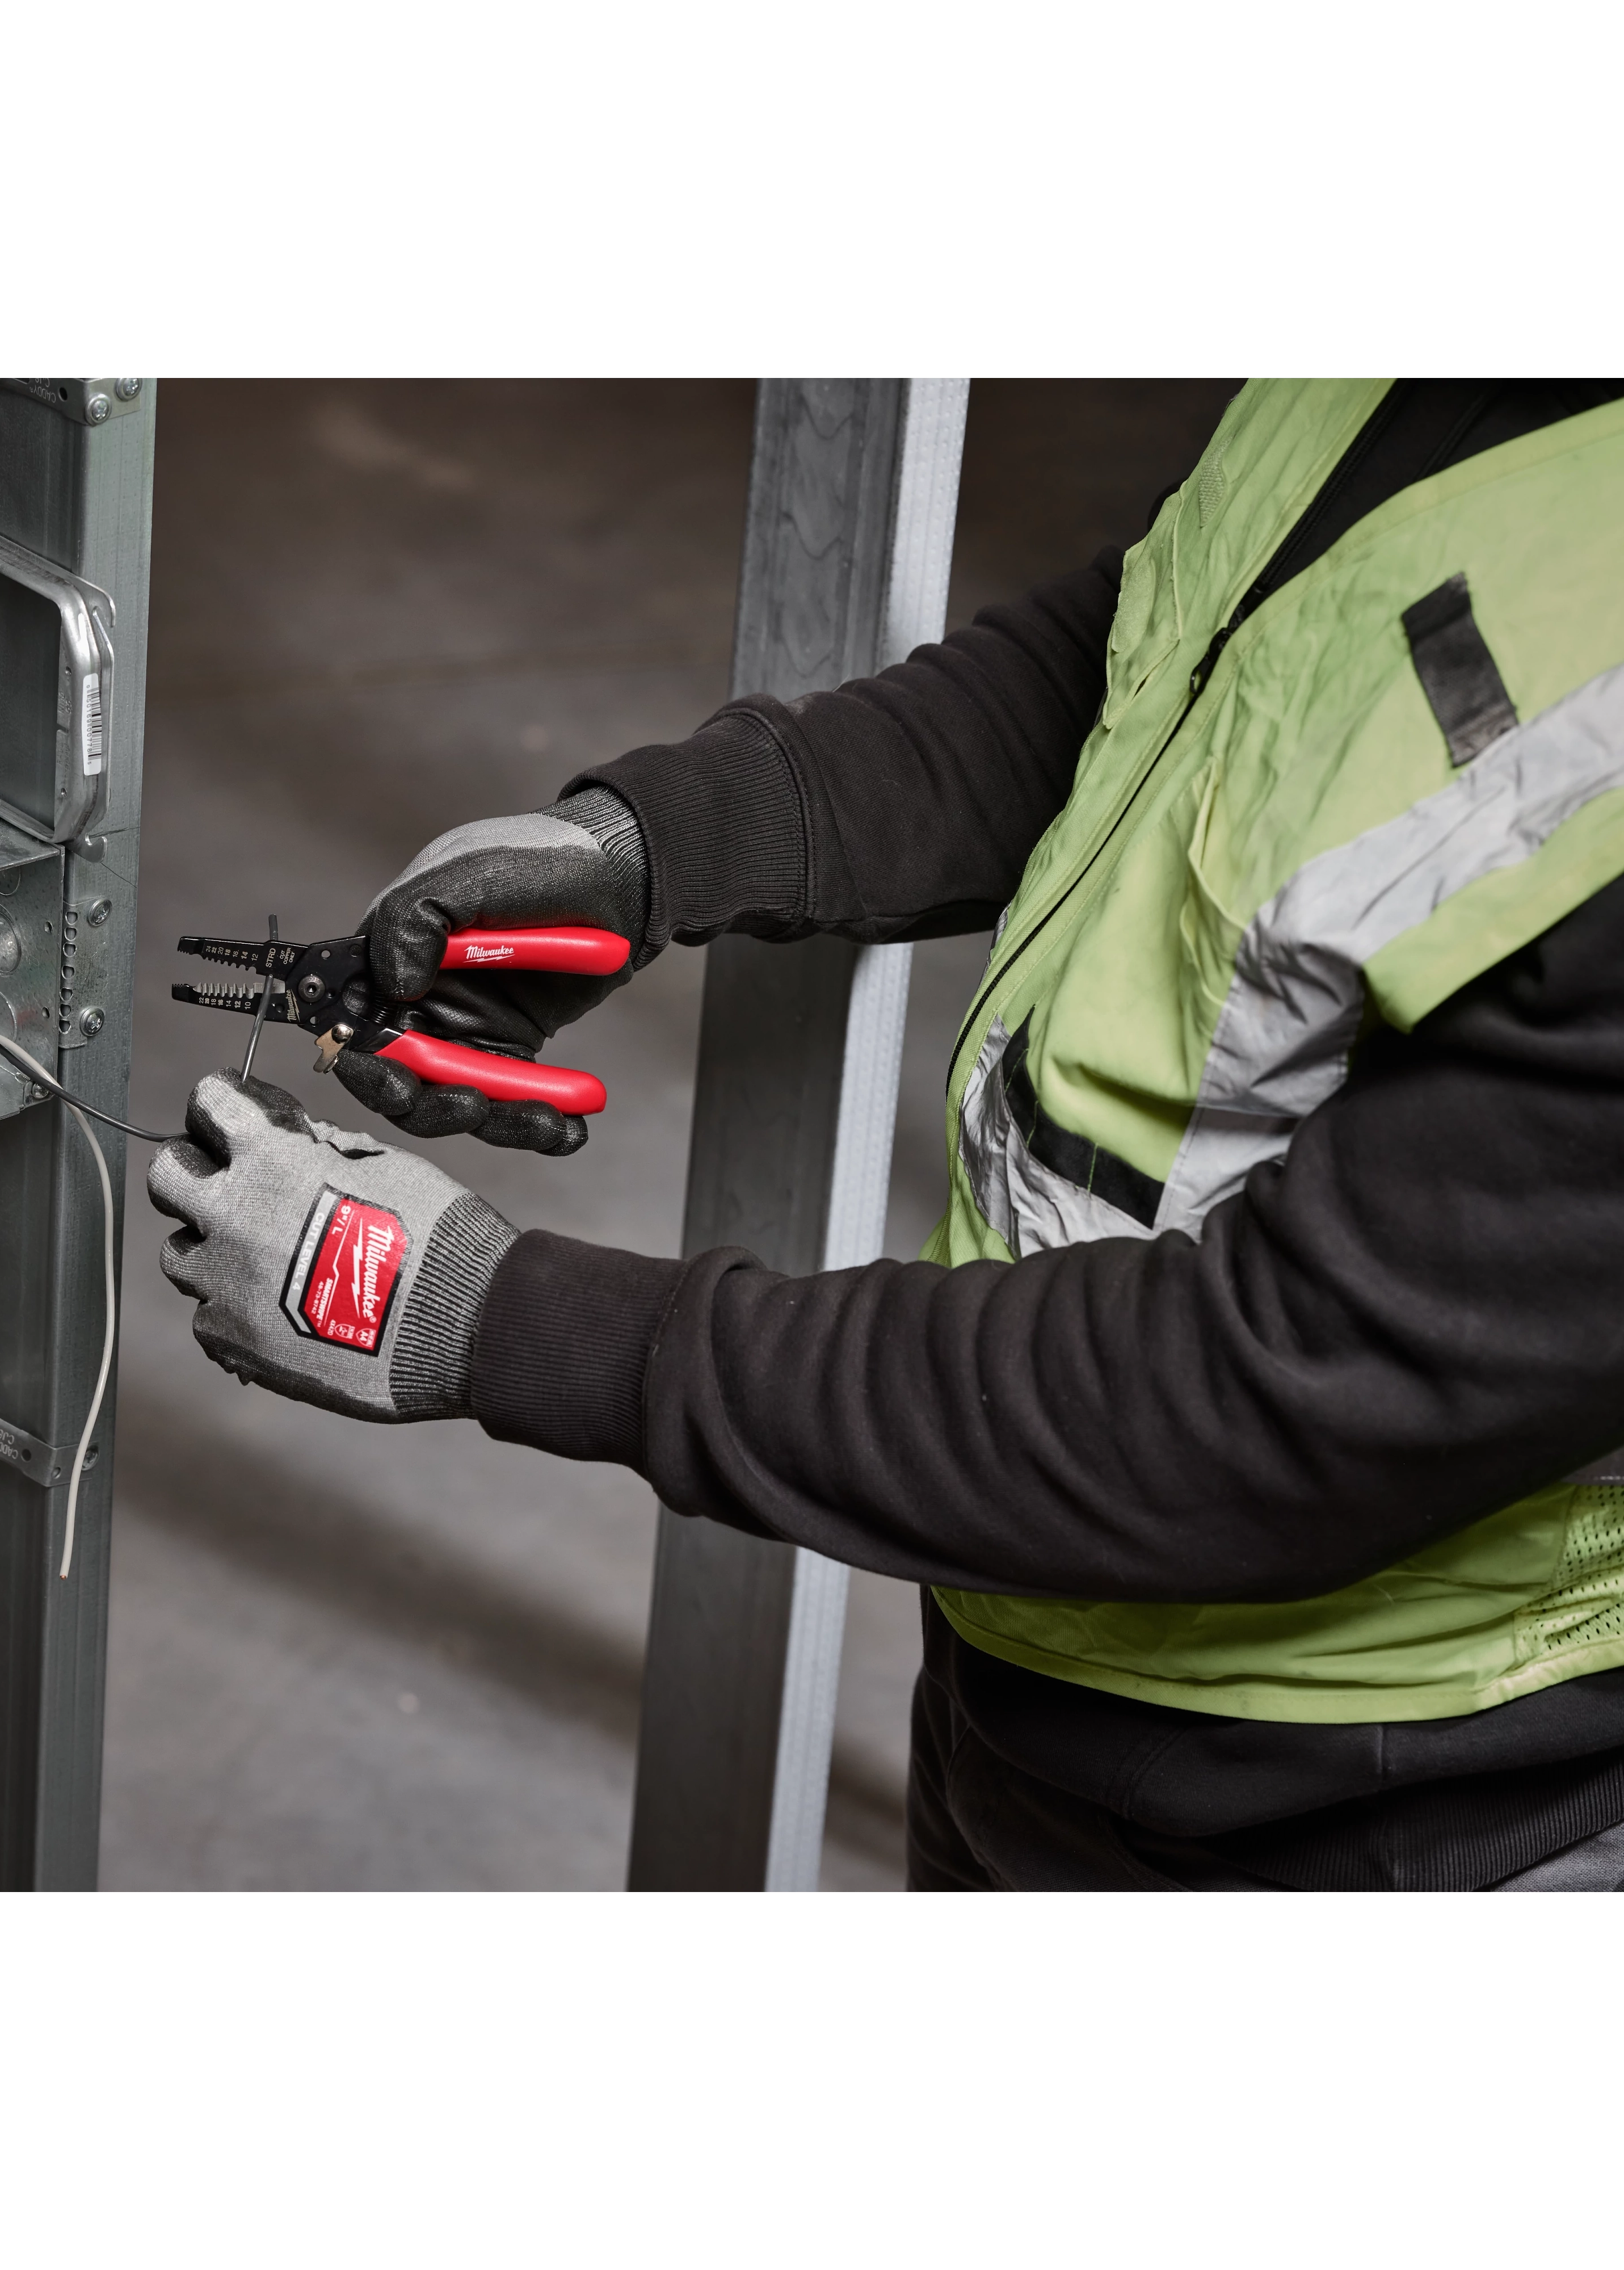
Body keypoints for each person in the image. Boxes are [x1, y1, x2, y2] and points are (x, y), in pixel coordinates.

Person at [149, 376, 1624, 1892]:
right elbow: (1182, 660)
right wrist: (677, 846)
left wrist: (495, 1319)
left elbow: (1253, 1407)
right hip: (1034, 1625)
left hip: (1381, 1794)